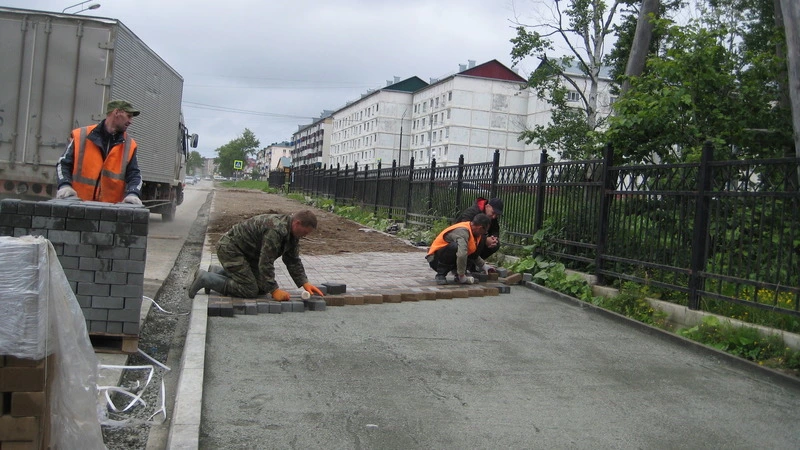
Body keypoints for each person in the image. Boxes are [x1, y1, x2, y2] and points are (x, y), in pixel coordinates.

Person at [187, 210, 325, 300]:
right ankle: (206, 278)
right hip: (231, 250)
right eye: (305, 232)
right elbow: (266, 262)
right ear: (297, 223)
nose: (305, 236)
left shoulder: (293, 233)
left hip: (246, 253)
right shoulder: (276, 230)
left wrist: (304, 283)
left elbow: (292, 260)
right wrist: (274, 290)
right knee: (249, 290)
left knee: (262, 288)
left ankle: (218, 272)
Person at [55, 100, 143, 205]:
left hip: (110, 212)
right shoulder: (81, 136)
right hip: (77, 206)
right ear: (116, 112)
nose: (130, 121)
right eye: (128, 116)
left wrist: (133, 193)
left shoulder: (129, 145)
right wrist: (65, 186)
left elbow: (134, 174)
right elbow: (63, 164)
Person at [426, 213, 492, 285]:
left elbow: (472, 253)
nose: (485, 233)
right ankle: (440, 275)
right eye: (485, 231)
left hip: (448, 259)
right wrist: (462, 275)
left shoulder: (474, 233)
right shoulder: (462, 231)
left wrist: (483, 265)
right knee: (456, 247)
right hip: (436, 260)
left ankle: (458, 276)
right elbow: (461, 254)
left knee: (467, 248)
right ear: (480, 227)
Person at [455, 197, 503, 269]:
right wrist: (485, 239)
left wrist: (494, 238)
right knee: (477, 243)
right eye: (493, 213)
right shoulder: (472, 212)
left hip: (477, 239)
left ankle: (473, 264)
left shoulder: (492, 217)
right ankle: (463, 265)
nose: (494, 217)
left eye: (497, 215)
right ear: (487, 206)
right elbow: (465, 230)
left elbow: (495, 230)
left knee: (496, 244)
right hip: (460, 239)